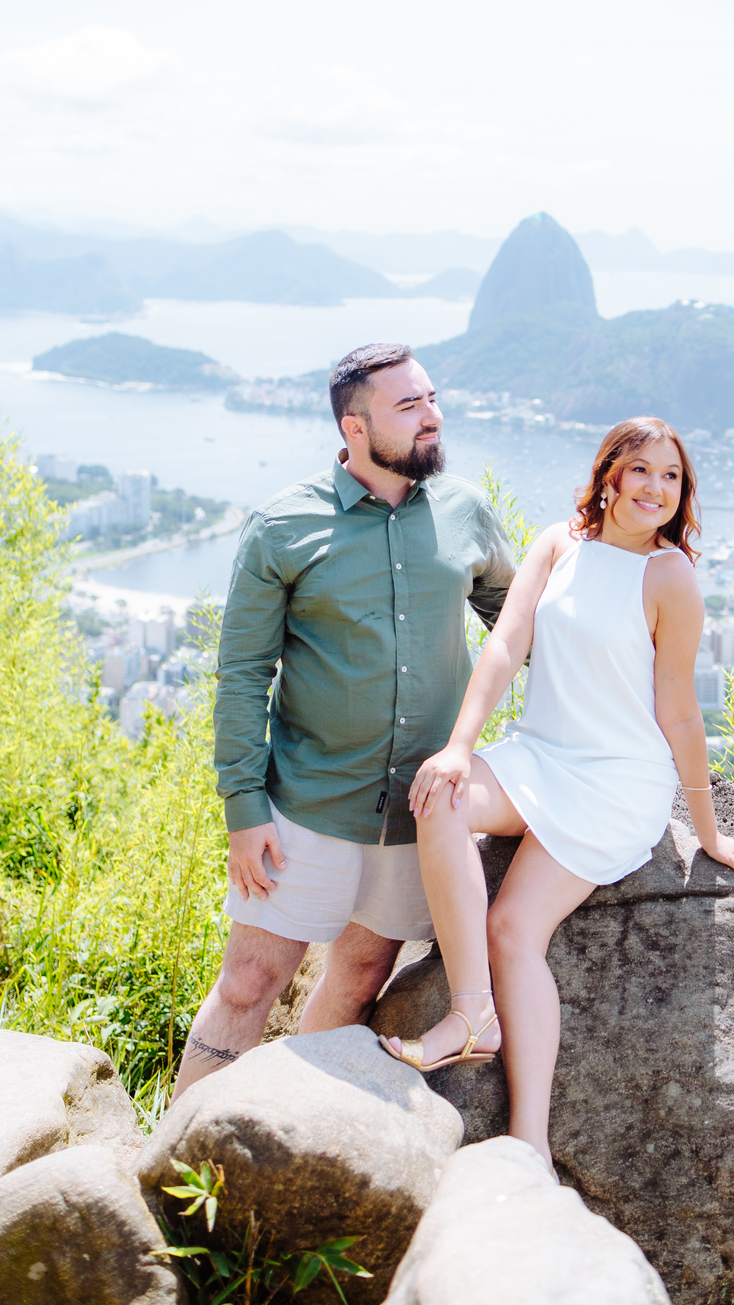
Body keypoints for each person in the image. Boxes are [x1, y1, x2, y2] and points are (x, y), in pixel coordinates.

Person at [379, 416, 734, 1170]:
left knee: (513, 932)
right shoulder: (559, 543)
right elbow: (503, 646)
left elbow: (681, 713)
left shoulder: (670, 578)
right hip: (540, 755)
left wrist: (710, 833)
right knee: (439, 797)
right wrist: (459, 747)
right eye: (642, 471)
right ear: (609, 475)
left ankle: (528, 1135)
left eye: (671, 476)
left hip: (616, 780)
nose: (657, 489)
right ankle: (472, 1016)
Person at [171, 342, 515, 1101]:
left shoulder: (465, 512)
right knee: (247, 982)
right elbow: (243, 677)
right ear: (354, 428)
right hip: (305, 804)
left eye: (431, 398)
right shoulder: (281, 528)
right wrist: (242, 808)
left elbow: (517, 630)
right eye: (409, 406)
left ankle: (289, 1132)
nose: (433, 417)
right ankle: (174, 1157)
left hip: (418, 812)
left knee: (360, 975)